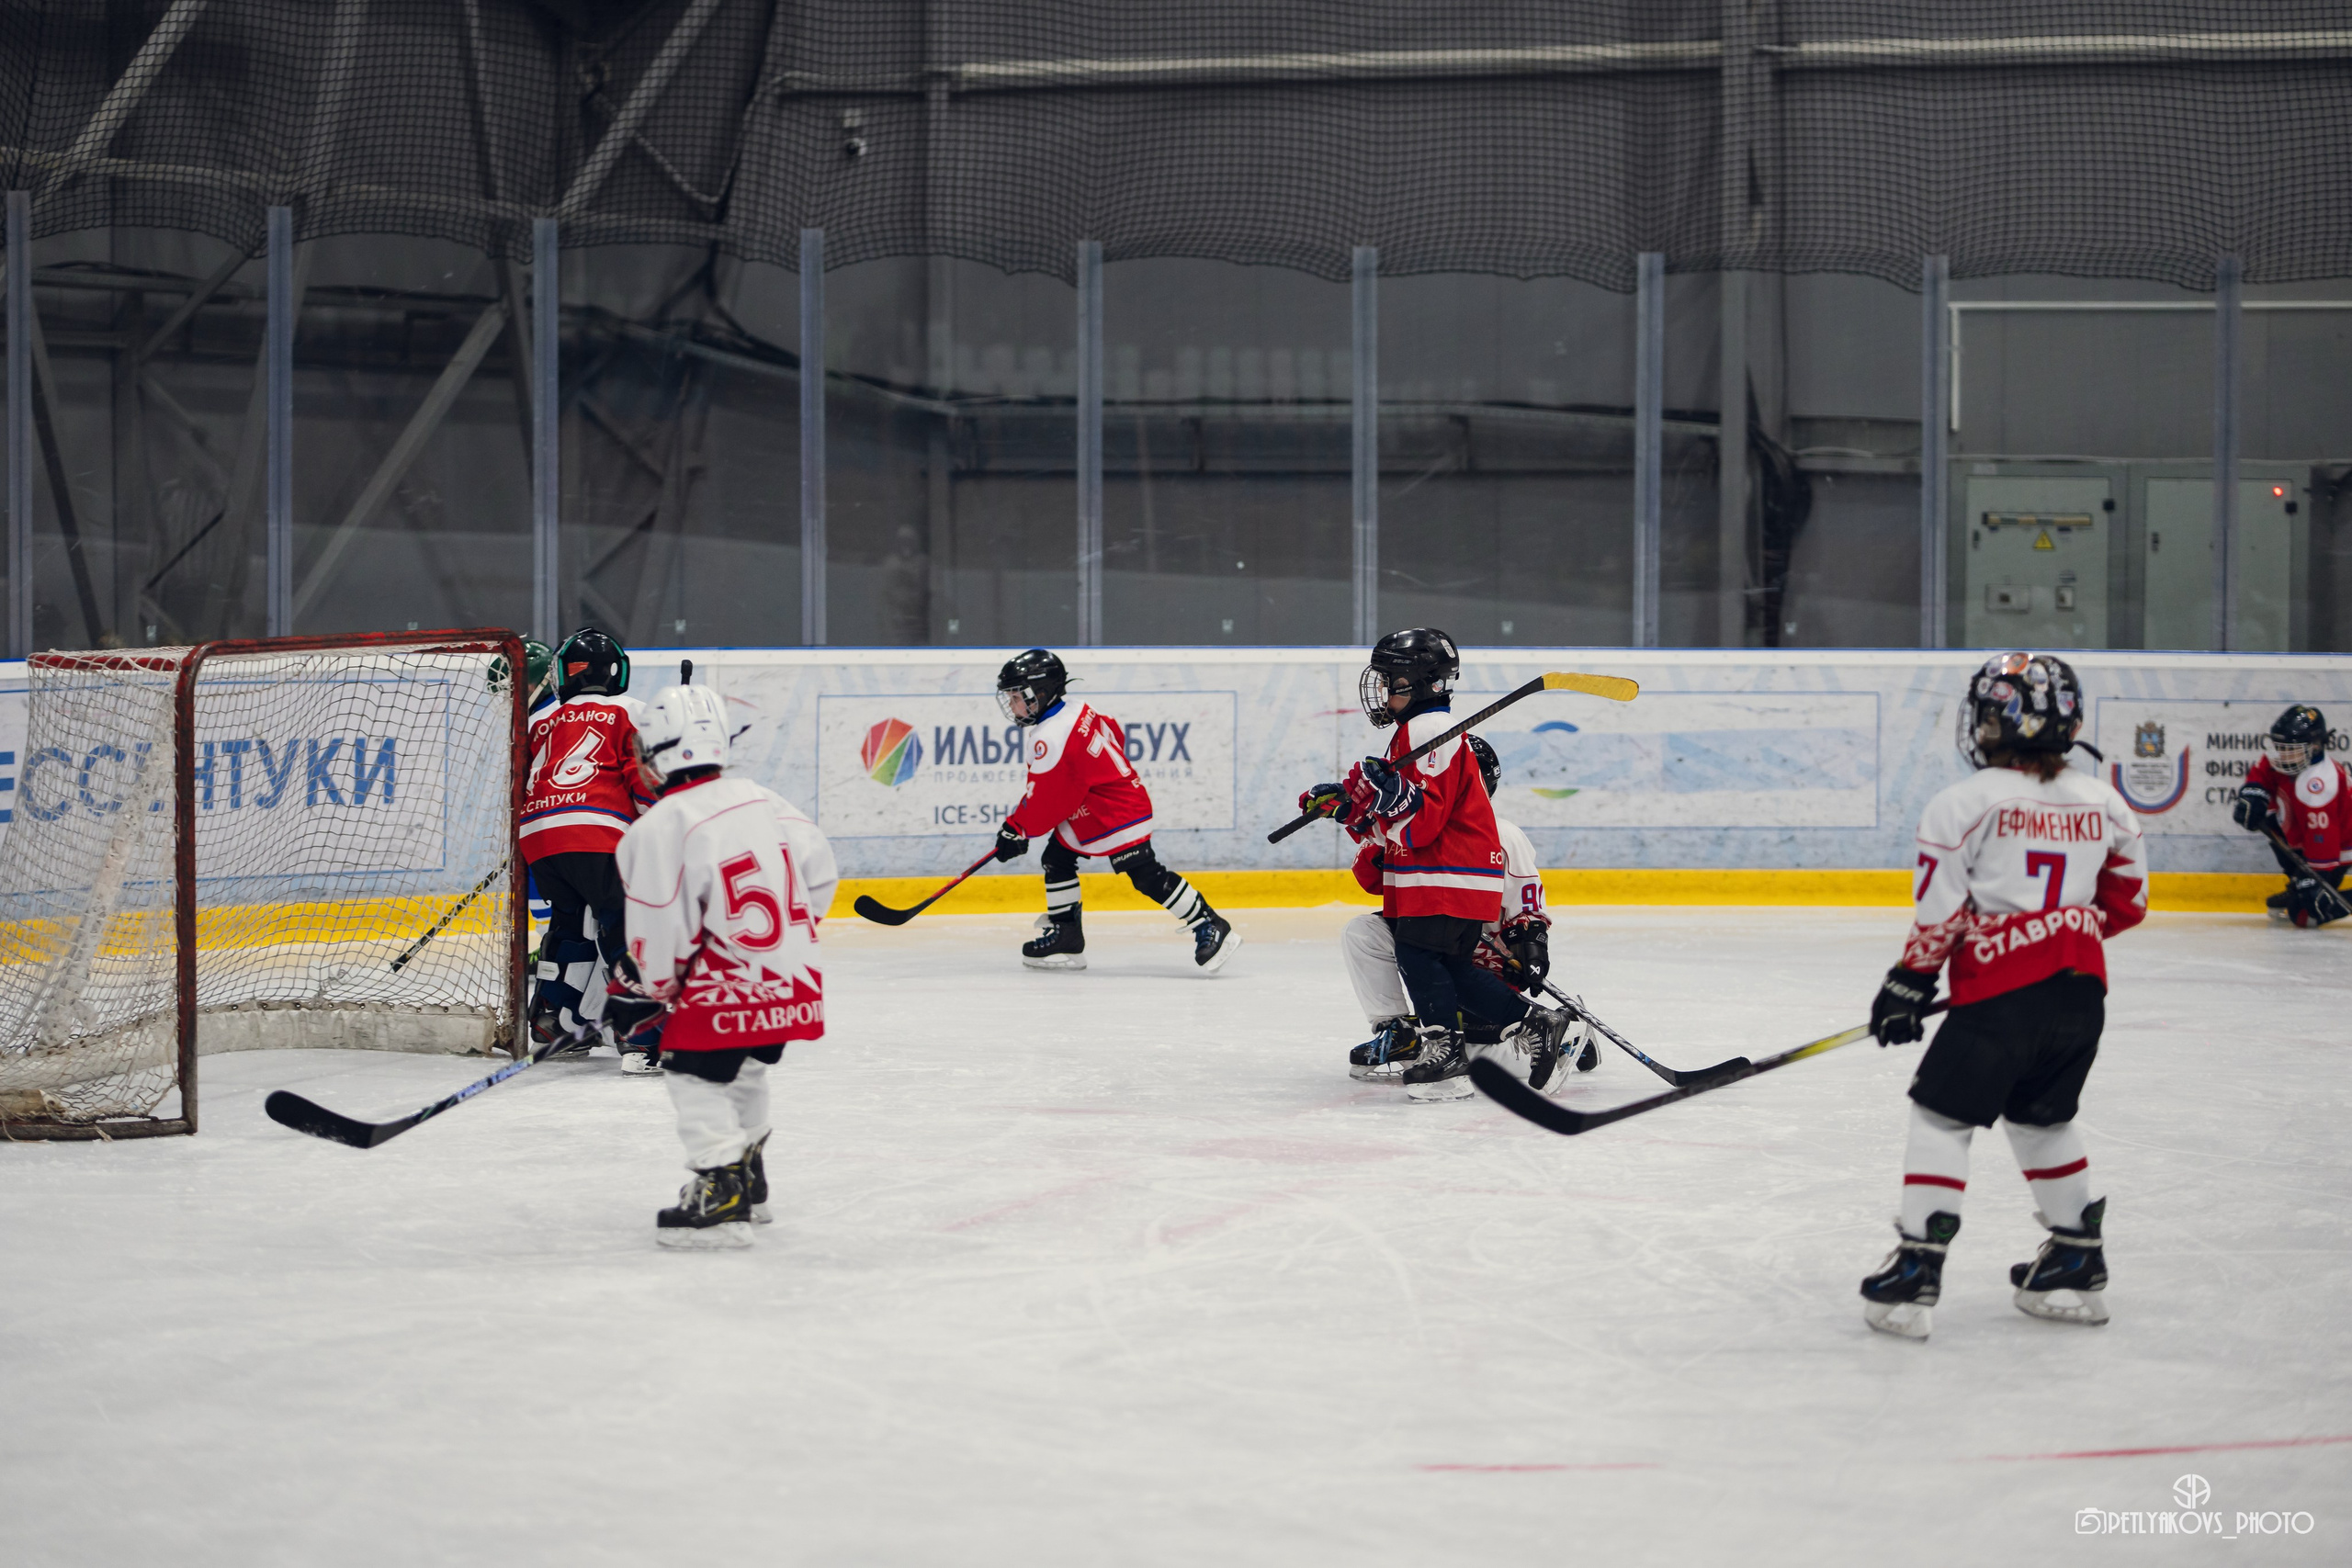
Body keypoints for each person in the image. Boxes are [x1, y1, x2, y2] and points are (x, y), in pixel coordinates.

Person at [1859, 652, 2147, 1339]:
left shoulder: (1964, 802)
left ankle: (1918, 1263)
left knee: (1940, 1116)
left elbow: (1941, 914)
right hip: (2081, 998)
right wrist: (2056, 935)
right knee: (2043, 1118)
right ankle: (2077, 1253)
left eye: (1988, 711)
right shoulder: (2104, 801)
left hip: (2001, 1003)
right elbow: (2128, 902)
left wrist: (1908, 982)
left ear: (2001, 721)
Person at [1299, 629, 1577, 1101]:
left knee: (1417, 955)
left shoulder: (1426, 730)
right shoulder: (1417, 734)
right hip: (1448, 873)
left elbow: (1423, 822)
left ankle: (1444, 1052)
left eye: (1390, 680)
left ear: (1417, 682)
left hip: (1446, 871)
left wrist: (1388, 794)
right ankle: (1535, 1021)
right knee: (1446, 964)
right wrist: (1349, 810)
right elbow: (1397, 829)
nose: (1382, 691)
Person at [607, 683, 837, 1249]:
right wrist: (785, 942)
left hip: (725, 981)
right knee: (747, 1068)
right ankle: (750, 1172)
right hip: (793, 977)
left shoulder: (657, 828)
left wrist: (650, 985)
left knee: (691, 1071)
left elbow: (662, 924)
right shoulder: (766, 799)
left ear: (658, 749)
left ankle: (720, 1183)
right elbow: (820, 873)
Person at [1340, 734, 1591, 1087]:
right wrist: (1359, 820)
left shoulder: (1501, 834)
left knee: (1483, 1061)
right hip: (1431, 947)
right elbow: (1371, 879)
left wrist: (1531, 946)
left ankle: (1565, 1034)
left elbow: (1527, 900)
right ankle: (1398, 1031)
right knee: (1364, 932)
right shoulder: (1413, 831)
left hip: (1483, 966)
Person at [989, 648, 1238, 973]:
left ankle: (1209, 922)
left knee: (1144, 873)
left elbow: (1046, 800)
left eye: (1016, 696)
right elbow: (1111, 734)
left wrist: (1016, 828)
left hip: (1115, 809)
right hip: (1097, 801)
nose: (1012, 705)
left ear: (1041, 692)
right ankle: (1066, 936)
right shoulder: (1077, 709)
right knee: (1057, 858)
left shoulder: (1050, 737)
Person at [520, 627, 652, 1068]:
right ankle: (640, 1036)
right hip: (597, 835)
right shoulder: (630, 711)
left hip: (539, 836)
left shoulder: (541, 719)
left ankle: (552, 1020)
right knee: (623, 927)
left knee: (570, 926)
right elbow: (644, 782)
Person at [2233, 705, 2347, 927]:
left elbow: (2324, 847)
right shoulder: (2289, 759)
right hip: (2309, 834)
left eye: (2289, 748)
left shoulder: (2320, 788)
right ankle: (2297, 883)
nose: (2281, 754)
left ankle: (2310, 892)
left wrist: (2313, 881)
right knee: (2268, 821)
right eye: (2279, 746)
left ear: (2315, 747)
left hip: (2340, 845)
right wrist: (2253, 793)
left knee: (2305, 915)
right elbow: (2263, 770)